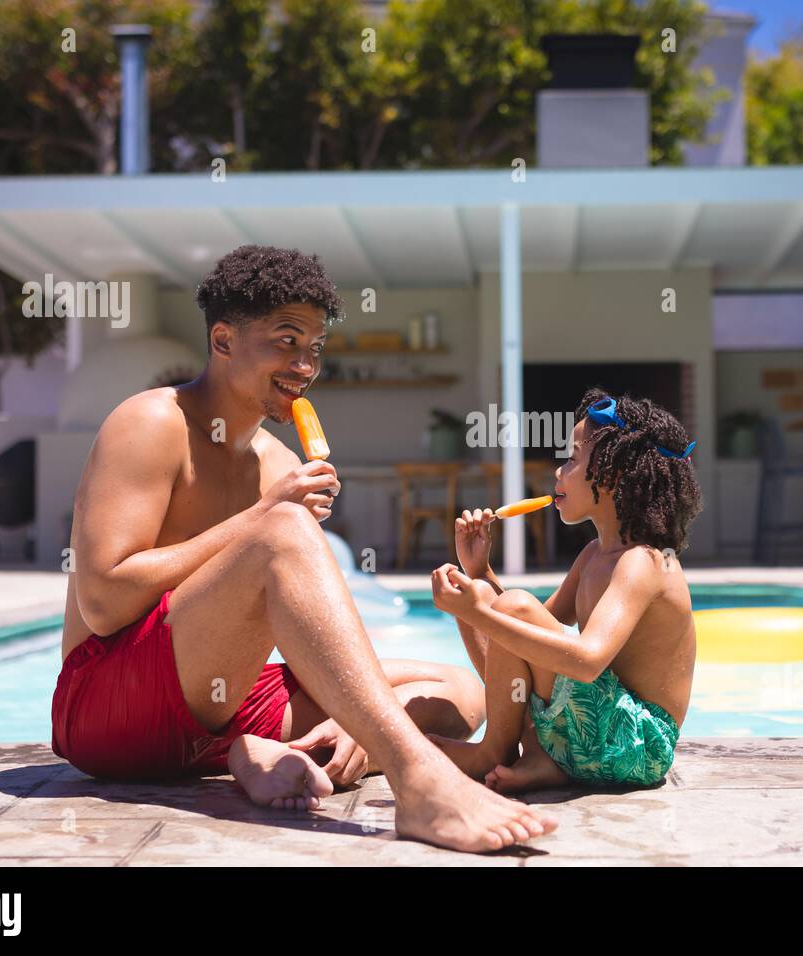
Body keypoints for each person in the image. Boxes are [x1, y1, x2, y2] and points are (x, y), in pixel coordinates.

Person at [52, 244, 556, 852]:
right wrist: (268, 517)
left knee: (459, 692)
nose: (304, 365)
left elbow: (301, 626)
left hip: (221, 706)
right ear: (222, 341)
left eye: (314, 347)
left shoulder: (279, 462)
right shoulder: (152, 423)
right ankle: (419, 782)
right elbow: (104, 600)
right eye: (285, 341)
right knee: (284, 530)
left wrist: (360, 723)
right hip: (110, 708)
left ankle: (271, 754)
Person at [430, 388, 701, 792]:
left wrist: (480, 612)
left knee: (509, 607)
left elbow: (587, 661)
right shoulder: (594, 554)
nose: (559, 471)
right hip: (599, 730)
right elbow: (524, 641)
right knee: (493, 600)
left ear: (610, 477)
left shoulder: (641, 562)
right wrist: (480, 572)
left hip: (638, 745)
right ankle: (543, 757)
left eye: (572, 459)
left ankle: (494, 751)